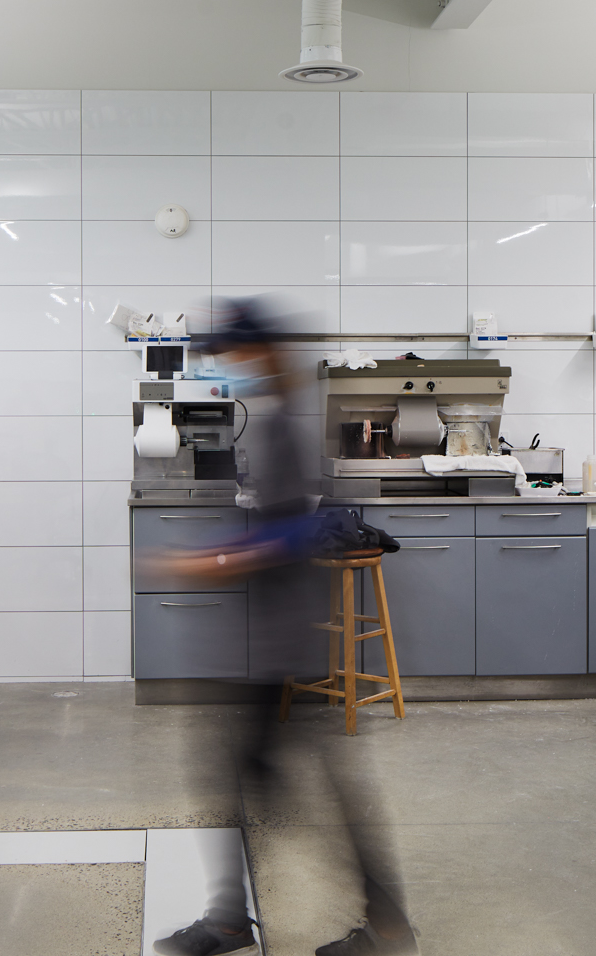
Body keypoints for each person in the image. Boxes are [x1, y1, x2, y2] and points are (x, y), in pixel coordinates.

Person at [145, 299, 417, 956]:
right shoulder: (272, 416)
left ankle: (381, 928)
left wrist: (210, 561)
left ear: (261, 351)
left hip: (281, 644)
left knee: (298, 790)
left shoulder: (280, 426)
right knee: (256, 780)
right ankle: (240, 918)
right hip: (270, 641)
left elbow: (292, 534)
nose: (227, 364)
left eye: (233, 353)